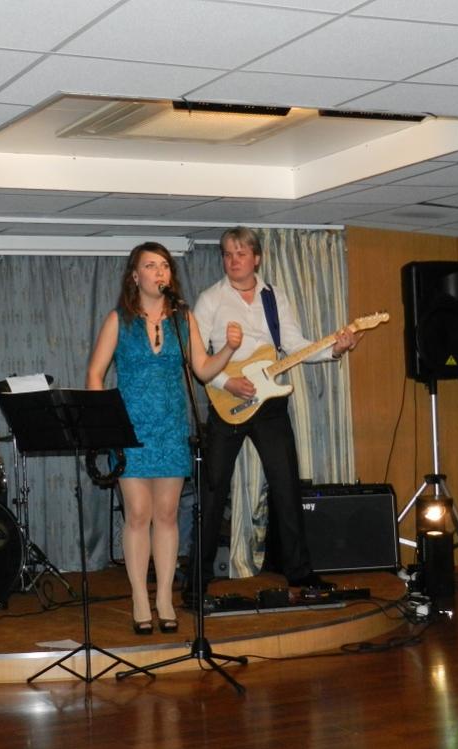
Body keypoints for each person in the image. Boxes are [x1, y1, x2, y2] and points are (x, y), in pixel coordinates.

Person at [186, 227, 361, 603]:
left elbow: (295, 346)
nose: (233, 260)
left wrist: (335, 349)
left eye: (240, 254)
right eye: (227, 254)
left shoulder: (274, 296)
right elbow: (196, 356)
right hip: (226, 399)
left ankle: (299, 572)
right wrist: (227, 382)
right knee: (213, 490)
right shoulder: (210, 299)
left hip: (269, 405)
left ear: (257, 258)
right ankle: (197, 580)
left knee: (286, 486)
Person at [87, 241, 242, 635]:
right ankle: (140, 597)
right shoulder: (118, 320)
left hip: (171, 428)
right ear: (135, 276)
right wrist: (105, 425)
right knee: (138, 514)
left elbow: (202, 370)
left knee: (168, 515)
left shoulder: (182, 319)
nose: (159, 272)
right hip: (130, 430)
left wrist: (229, 348)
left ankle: (165, 599)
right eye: (150, 265)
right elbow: (95, 375)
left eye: (164, 266)